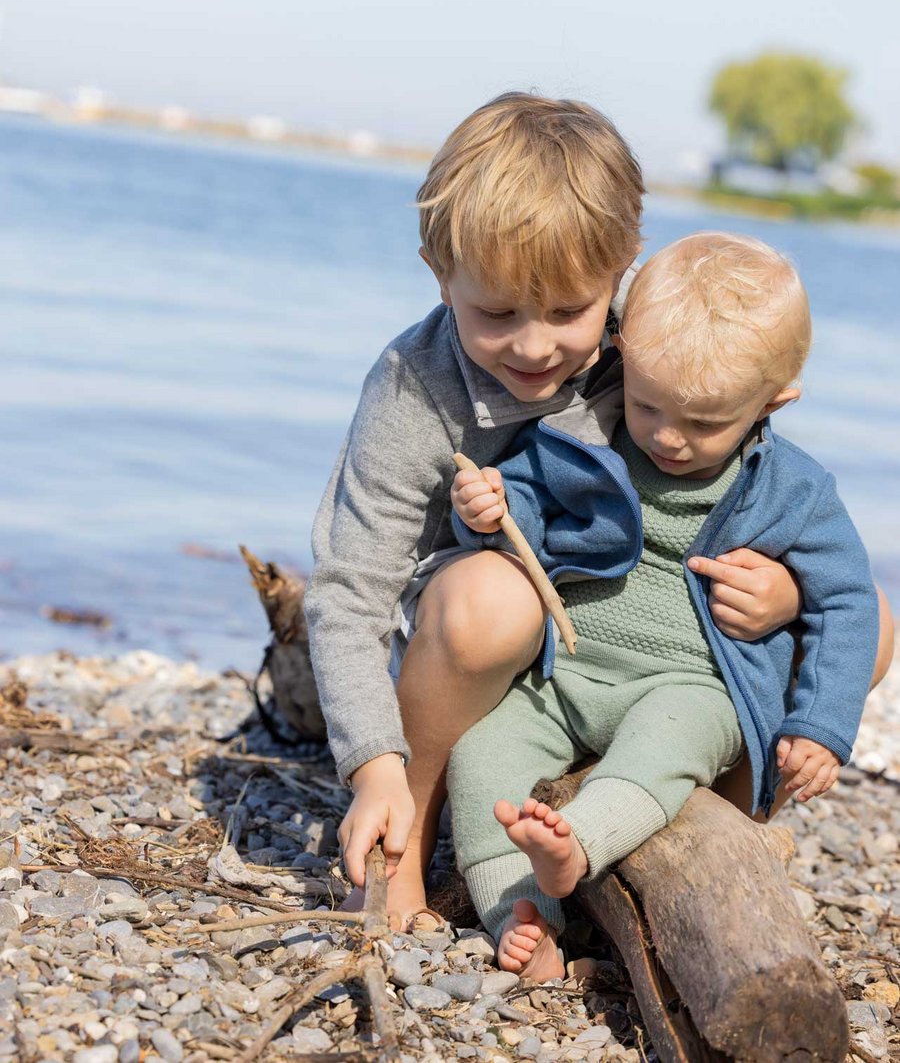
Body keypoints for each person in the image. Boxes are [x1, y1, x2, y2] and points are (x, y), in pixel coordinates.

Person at [303, 93, 894, 929]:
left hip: (656, 644)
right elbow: (350, 590)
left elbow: (752, 473)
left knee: (872, 622)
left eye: (570, 311)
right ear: (441, 275)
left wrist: (791, 596)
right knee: (491, 604)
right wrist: (373, 764)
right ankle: (414, 824)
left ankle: (704, 810)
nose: (536, 345)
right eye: (496, 313)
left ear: (624, 269)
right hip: (492, 638)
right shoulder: (414, 386)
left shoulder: (654, 340)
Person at [447, 233, 881, 979]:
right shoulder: (588, 441)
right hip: (569, 674)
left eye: (706, 423)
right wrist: (487, 507)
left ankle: (573, 847)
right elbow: (523, 497)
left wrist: (822, 726)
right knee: (479, 754)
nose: (670, 437)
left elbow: (849, 600)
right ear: (623, 353)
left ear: (775, 400)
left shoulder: (794, 489)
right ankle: (520, 916)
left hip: (690, 685)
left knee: (669, 739)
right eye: (650, 406)